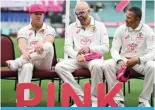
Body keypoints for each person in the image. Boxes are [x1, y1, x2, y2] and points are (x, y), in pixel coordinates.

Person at [55, 1, 109, 107]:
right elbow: (67, 47)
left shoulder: (100, 26)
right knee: (59, 67)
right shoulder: (71, 27)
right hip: (78, 59)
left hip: (94, 59)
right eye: (77, 13)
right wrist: (76, 55)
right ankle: (80, 98)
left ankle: (95, 101)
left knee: (97, 65)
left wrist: (90, 49)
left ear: (89, 11)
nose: (79, 16)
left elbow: (106, 47)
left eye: (82, 13)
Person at [102, 7, 154, 107]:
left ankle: (143, 101)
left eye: (129, 18)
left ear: (137, 19)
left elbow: (153, 52)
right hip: (124, 61)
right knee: (107, 64)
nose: (125, 20)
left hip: (140, 62)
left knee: (152, 66)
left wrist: (139, 59)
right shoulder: (121, 29)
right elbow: (114, 50)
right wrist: (119, 60)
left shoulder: (148, 31)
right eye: (126, 17)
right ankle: (117, 99)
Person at [6, 4, 56, 101]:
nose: (39, 16)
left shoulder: (50, 29)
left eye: (41, 14)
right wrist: (24, 52)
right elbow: (21, 45)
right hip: (28, 60)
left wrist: (41, 43)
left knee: (48, 45)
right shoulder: (23, 30)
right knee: (26, 66)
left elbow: (49, 40)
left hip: (44, 63)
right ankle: (22, 102)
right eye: (36, 13)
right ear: (30, 14)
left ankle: (18, 62)